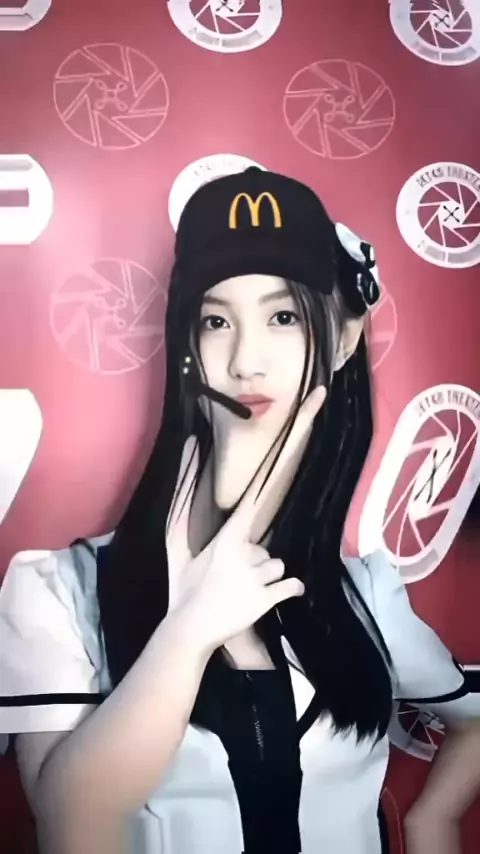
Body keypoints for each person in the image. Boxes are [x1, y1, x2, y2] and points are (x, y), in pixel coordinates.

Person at [0, 166, 479, 854]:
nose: (245, 361)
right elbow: (71, 828)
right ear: (188, 349)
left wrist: (435, 822)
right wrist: (189, 631)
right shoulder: (59, 591)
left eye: (284, 317)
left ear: (344, 339)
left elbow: (472, 721)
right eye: (215, 321)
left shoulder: (364, 595)